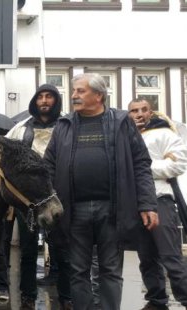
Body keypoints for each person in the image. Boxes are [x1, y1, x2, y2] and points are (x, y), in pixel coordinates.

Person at [44, 73, 159, 310]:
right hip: (73, 210)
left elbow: (140, 163)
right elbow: (48, 167)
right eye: (74, 91)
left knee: (110, 271)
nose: (73, 95)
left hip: (113, 209)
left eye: (80, 91)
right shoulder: (63, 125)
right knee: (77, 271)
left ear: (98, 95)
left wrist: (147, 203)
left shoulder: (120, 121)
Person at [0, 84, 72, 309]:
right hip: (29, 201)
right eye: (41, 97)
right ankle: (27, 297)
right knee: (28, 251)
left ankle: (66, 297)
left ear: (56, 100)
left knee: (62, 250)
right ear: (35, 101)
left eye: (49, 97)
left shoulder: (67, 126)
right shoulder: (20, 128)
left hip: (58, 195)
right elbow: (1, 150)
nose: (45, 101)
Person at [128, 98, 187, 310]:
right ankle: (156, 300)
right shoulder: (126, 137)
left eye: (144, 110)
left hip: (160, 199)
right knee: (147, 258)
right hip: (135, 204)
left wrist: (142, 170)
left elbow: (178, 164)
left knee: (171, 257)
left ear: (151, 113)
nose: (139, 114)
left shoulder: (165, 134)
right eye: (134, 110)